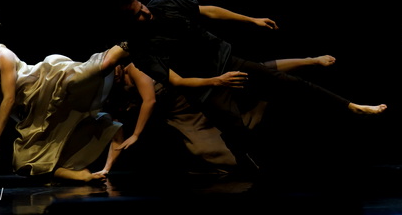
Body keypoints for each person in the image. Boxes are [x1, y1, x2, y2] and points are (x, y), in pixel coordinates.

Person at [109, 0, 387, 169]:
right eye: (138, 15)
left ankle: (352, 106)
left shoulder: (165, 3)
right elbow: (177, 82)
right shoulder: (141, 49)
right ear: (127, 21)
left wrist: (250, 20)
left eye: (143, 7)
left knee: (288, 83)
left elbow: (208, 11)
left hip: (226, 60)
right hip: (206, 89)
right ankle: (256, 178)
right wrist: (217, 82)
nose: (146, 13)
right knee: (238, 136)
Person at [0, 0, 133, 188]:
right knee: (24, 163)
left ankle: (135, 40)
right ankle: (79, 176)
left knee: (96, 69)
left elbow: (9, 98)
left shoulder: (1, 55)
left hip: (47, 83)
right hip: (33, 114)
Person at [104, 55, 339, 175]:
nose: (114, 71)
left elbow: (151, 99)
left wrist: (137, 134)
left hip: (199, 93)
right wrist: (106, 169)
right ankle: (254, 152)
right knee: (209, 152)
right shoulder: (115, 94)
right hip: (184, 117)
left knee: (258, 69)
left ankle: (310, 61)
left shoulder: (137, 67)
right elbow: (116, 134)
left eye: (113, 66)